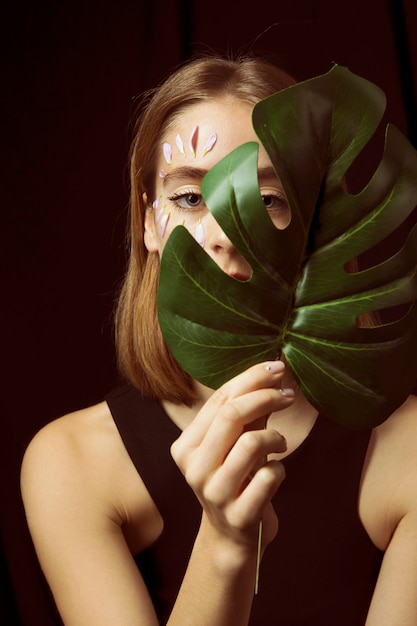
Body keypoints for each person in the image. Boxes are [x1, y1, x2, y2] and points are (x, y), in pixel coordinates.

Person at [21, 54, 417, 626]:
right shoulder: (71, 462)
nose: (226, 235)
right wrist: (226, 541)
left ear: (316, 226)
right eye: (188, 198)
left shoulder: (405, 450)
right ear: (148, 223)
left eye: (269, 200)